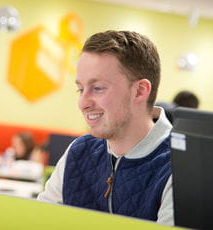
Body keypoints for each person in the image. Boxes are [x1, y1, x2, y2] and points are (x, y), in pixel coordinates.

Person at [37, 30, 174, 226]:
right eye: (81, 89)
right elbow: (40, 222)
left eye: (98, 88)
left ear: (140, 91)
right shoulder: (79, 151)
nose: (82, 103)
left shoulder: (179, 168)